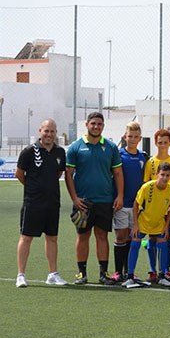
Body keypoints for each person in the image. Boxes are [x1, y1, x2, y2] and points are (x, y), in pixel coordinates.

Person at [65, 112, 124, 285]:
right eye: (93, 123)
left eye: (99, 124)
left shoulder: (111, 147)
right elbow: (69, 174)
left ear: (103, 126)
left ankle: (103, 274)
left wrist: (119, 195)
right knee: (83, 236)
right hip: (83, 202)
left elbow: (118, 173)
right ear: (87, 125)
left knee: (102, 236)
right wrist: (74, 198)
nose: (96, 127)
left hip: (105, 200)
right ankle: (81, 273)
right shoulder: (76, 147)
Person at [15, 119, 68, 287]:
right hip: (33, 203)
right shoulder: (28, 151)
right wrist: (33, 188)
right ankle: (21, 275)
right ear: (40, 131)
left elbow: (59, 173)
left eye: (52, 131)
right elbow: (19, 174)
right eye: (46, 131)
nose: (49, 134)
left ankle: (53, 274)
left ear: (56, 133)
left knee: (52, 238)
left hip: (52, 203)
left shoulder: (60, 152)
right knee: (26, 237)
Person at [122, 162, 170, 287]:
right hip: (143, 222)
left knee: (163, 245)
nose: (164, 178)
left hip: (159, 223)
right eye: (162, 174)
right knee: (135, 244)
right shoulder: (147, 187)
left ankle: (162, 276)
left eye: (167, 175)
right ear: (157, 174)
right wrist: (135, 224)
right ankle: (130, 276)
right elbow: (136, 204)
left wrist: (166, 226)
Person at [111, 121, 146, 283]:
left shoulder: (143, 157)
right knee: (121, 236)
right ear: (125, 137)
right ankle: (118, 271)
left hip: (136, 205)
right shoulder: (118, 155)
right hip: (122, 203)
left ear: (140, 138)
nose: (132, 139)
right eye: (130, 136)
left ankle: (130, 272)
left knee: (133, 237)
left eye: (136, 137)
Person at [144, 128, 170, 283]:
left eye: (165, 142)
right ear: (156, 143)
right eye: (160, 142)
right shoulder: (150, 162)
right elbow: (146, 184)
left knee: (166, 236)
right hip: (152, 208)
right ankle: (152, 270)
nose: (163, 145)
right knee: (152, 237)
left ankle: (165, 270)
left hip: (168, 207)